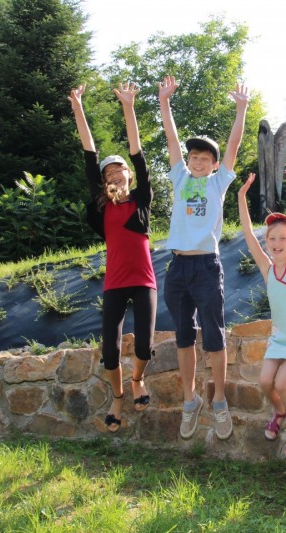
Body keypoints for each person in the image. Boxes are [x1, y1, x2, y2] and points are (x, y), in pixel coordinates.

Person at [158, 75, 249, 440]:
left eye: (204, 158)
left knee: (213, 336)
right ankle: (190, 400)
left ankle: (220, 401)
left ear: (213, 165)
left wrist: (241, 110)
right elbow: (171, 138)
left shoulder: (217, 183)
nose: (197, 161)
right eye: (193, 157)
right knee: (183, 337)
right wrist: (165, 102)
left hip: (206, 267)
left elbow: (233, 145)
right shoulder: (180, 178)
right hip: (178, 267)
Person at [69, 82, 156, 432]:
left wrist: (129, 107)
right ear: (104, 181)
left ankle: (137, 379)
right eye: (109, 173)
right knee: (109, 351)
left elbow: (137, 152)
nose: (116, 174)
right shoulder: (102, 206)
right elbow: (89, 153)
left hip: (144, 281)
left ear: (129, 176)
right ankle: (118, 398)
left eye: (121, 170)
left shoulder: (141, 200)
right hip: (115, 283)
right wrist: (78, 107)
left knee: (145, 346)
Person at [237, 159, 286, 460]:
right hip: (279, 338)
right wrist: (241, 197)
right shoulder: (268, 269)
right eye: (272, 238)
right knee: (265, 382)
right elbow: (247, 233)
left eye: (283, 238)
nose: (277, 242)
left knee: (282, 383)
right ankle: (280, 411)